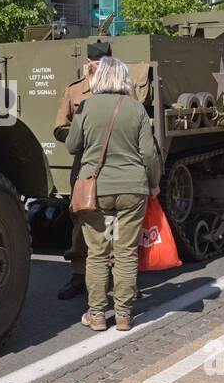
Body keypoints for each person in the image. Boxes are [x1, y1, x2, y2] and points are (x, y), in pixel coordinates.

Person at [65, 56, 161, 331]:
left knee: (96, 252)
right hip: (132, 189)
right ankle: (123, 314)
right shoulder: (136, 109)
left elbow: (72, 146)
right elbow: (149, 154)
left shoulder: (86, 106)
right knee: (126, 253)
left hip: (95, 191)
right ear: (123, 79)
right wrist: (153, 183)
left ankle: (96, 314)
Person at [53, 40, 110, 300]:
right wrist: (78, 135)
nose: (101, 69)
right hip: (85, 162)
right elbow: (59, 127)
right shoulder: (74, 91)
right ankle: (79, 274)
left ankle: (116, 278)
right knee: (80, 216)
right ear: (88, 64)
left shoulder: (121, 89)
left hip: (113, 162)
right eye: (98, 65)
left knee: (114, 219)